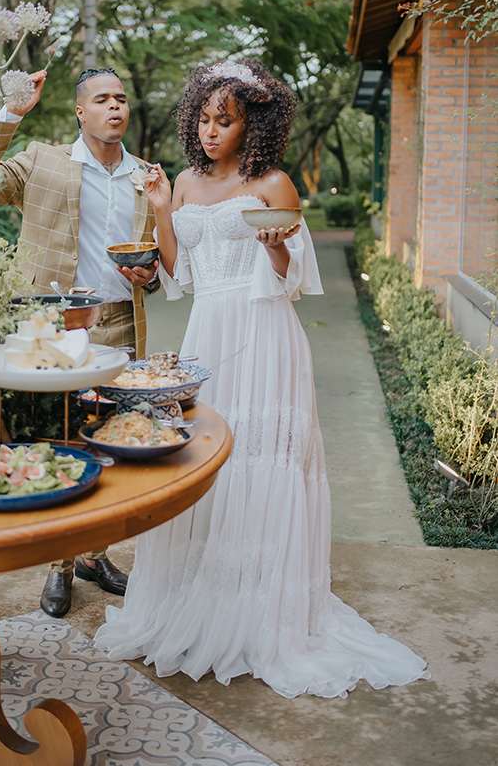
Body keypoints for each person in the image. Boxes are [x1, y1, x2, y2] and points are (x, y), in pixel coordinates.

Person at [94, 60, 430, 698]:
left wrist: (277, 244)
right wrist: (162, 208)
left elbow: (292, 277)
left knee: (261, 458)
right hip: (206, 334)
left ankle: (261, 612)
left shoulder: (274, 182)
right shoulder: (186, 183)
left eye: (227, 120)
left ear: (255, 125)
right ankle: (197, 598)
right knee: (205, 461)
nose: (212, 130)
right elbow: (177, 272)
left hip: (267, 334)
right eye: (204, 117)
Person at [0, 66, 159, 618]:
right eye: (101, 99)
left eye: (121, 97)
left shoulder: (145, 175)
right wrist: (11, 113)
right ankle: (59, 566)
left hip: (119, 322)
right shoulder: (42, 161)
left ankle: (96, 555)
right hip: (54, 327)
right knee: (57, 437)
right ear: (80, 111)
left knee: (109, 440)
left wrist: (151, 274)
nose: (114, 106)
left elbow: (154, 252)